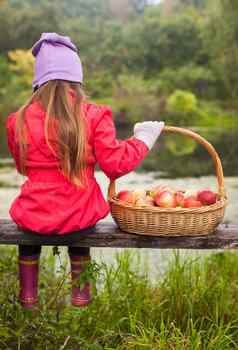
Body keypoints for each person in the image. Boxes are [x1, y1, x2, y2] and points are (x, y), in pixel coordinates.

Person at [6, 32, 164, 309]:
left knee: (28, 238)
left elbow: (21, 167)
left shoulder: (17, 120)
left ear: (38, 81)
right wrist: (144, 138)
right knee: (79, 228)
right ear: (76, 79)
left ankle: (28, 296)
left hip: (32, 219)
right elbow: (116, 165)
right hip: (79, 221)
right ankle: (81, 295)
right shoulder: (93, 115)